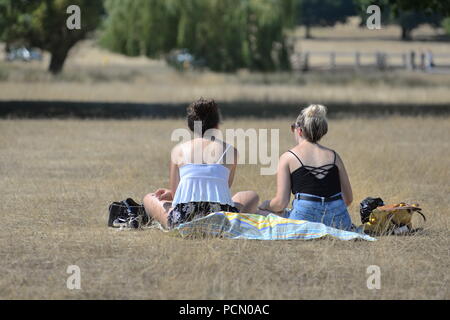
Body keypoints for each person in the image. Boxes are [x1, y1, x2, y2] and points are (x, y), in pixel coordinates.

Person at [143, 98, 259, 229]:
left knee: (149, 198)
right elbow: (224, 185)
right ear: (216, 126)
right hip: (223, 219)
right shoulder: (231, 151)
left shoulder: (178, 150)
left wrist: (171, 193)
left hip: (183, 219)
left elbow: (176, 197)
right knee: (251, 196)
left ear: (191, 126)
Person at [258, 104, 353, 230]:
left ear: (299, 130)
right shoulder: (335, 157)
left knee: (258, 213)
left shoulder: (288, 157)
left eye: (293, 127)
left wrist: (266, 204)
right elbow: (348, 199)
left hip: (303, 220)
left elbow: (280, 203)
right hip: (341, 221)